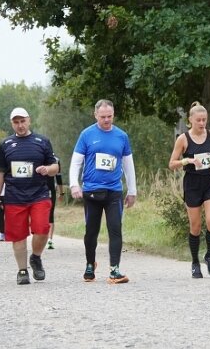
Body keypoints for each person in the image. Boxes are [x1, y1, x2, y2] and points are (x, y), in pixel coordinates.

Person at [69, 99, 137, 284]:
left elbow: (128, 164)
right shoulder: (87, 134)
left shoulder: (121, 136)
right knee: (91, 232)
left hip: (114, 191)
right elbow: (76, 162)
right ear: (95, 115)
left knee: (115, 229)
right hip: (91, 191)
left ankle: (114, 270)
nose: (107, 120)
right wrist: (74, 184)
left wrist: (132, 190)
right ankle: (90, 264)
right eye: (103, 117)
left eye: (110, 116)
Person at [0, 107, 59, 285]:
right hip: (14, 196)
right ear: (12, 124)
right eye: (16, 122)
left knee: (42, 228)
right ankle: (22, 270)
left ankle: (36, 257)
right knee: (18, 236)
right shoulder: (5, 144)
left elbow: (55, 167)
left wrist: (48, 169)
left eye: (23, 121)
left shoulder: (42, 141)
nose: (20, 125)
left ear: (29, 121)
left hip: (39, 194)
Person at [168, 102, 210, 278]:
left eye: (204, 120)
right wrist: (187, 161)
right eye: (198, 120)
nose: (202, 123)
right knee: (195, 226)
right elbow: (172, 164)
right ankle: (195, 262)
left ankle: (209, 256)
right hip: (192, 184)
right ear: (190, 120)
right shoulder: (183, 139)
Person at [46, 157, 64, 250]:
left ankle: (49, 239)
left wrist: (61, 192)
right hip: (45, 189)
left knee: (49, 214)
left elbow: (58, 176)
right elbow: (59, 177)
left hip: (45, 190)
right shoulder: (56, 159)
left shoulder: (55, 159)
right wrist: (61, 193)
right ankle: (49, 239)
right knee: (49, 214)